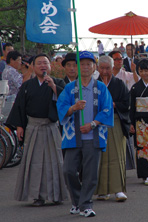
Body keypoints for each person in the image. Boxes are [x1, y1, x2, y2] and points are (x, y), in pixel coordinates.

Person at [57, 51, 114, 217]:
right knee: (68, 170)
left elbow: (107, 109)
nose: (86, 67)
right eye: (82, 64)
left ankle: (86, 204)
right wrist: (73, 108)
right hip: (72, 137)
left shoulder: (101, 88)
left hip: (93, 136)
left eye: (89, 64)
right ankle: (76, 201)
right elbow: (61, 107)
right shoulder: (69, 88)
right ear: (77, 67)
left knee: (90, 173)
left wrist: (93, 124)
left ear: (94, 66)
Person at [5, 53, 67, 206]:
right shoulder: (27, 86)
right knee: (35, 161)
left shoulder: (58, 83)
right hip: (33, 126)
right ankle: (37, 195)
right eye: (39, 63)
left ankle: (56, 194)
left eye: (45, 63)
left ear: (50, 66)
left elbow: (67, 102)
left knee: (55, 161)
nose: (43, 66)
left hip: (52, 126)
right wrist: (19, 126)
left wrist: (53, 87)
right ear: (33, 66)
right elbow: (20, 106)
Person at [95, 55, 130, 201]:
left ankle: (118, 190)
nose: (104, 71)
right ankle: (102, 190)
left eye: (107, 68)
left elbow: (127, 103)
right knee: (100, 157)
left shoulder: (119, 84)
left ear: (113, 68)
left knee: (117, 156)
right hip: (98, 123)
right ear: (97, 68)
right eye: (102, 68)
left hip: (115, 120)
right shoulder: (93, 84)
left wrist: (114, 105)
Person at [1, 51, 23, 117]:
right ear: (11, 60)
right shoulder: (11, 71)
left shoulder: (8, 70)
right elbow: (21, 85)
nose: (20, 63)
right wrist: (30, 72)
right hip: (11, 102)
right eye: (19, 60)